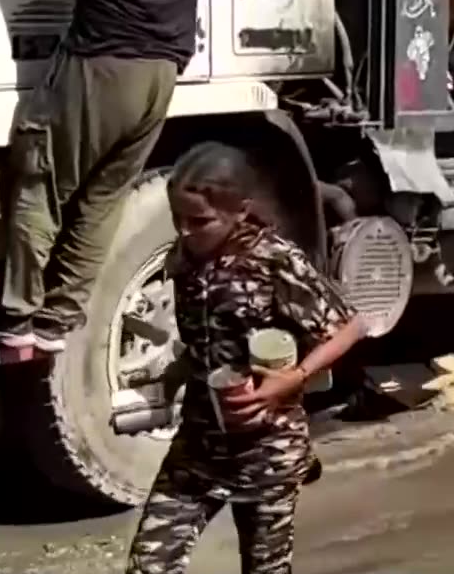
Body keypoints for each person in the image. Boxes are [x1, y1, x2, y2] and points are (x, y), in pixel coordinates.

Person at [1, 0, 226, 352]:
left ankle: (17, 317)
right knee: (101, 200)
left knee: (44, 183)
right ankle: (58, 322)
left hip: (99, 68)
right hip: (158, 80)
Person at [124, 143, 366, 574]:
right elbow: (203, 340)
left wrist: (296, 377)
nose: (184, 231)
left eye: (199, 221)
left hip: (267, 451)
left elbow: (350, 325)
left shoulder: (274, 260)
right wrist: (167, 380)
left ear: (241, 211)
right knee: (149, 565)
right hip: (199, 447)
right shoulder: (185, 258)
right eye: (177, 219)